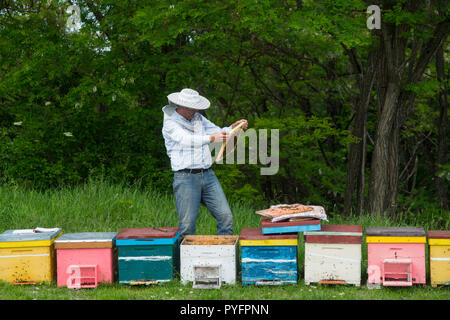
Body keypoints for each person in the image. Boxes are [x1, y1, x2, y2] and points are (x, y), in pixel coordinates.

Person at [162, 88, 248, 239]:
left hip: (208, 175)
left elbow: (218, 132)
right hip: (185, 177)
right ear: (182, 106)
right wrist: (211, 138)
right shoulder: (170, 122)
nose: (196, 110)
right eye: (193, 107)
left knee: (226, 217)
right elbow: (186, 139)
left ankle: (224, 257)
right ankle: (185, 262)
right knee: (187, 226)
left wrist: (234, 128)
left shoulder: (198, 118)